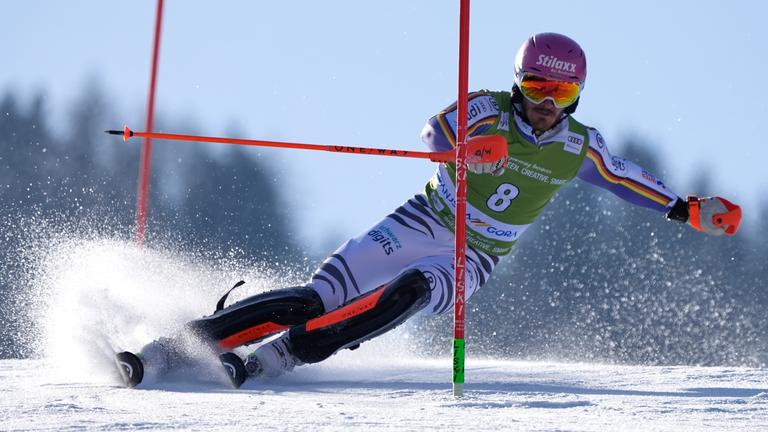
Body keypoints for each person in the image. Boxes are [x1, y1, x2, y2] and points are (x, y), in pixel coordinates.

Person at [138, 32, 742, 383]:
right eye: (536, 88)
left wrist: (687, 209)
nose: (545, 104)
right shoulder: (485, 108)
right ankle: (172, 349)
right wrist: (463, 152)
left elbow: (628, 181)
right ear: (518, 83)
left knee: (406, 295)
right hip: (422, 221)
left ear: (578, 95)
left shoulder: (581, 146)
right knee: (311, 298)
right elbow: (433, 133)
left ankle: (282, 356)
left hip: (471, 255)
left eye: (561, 93)